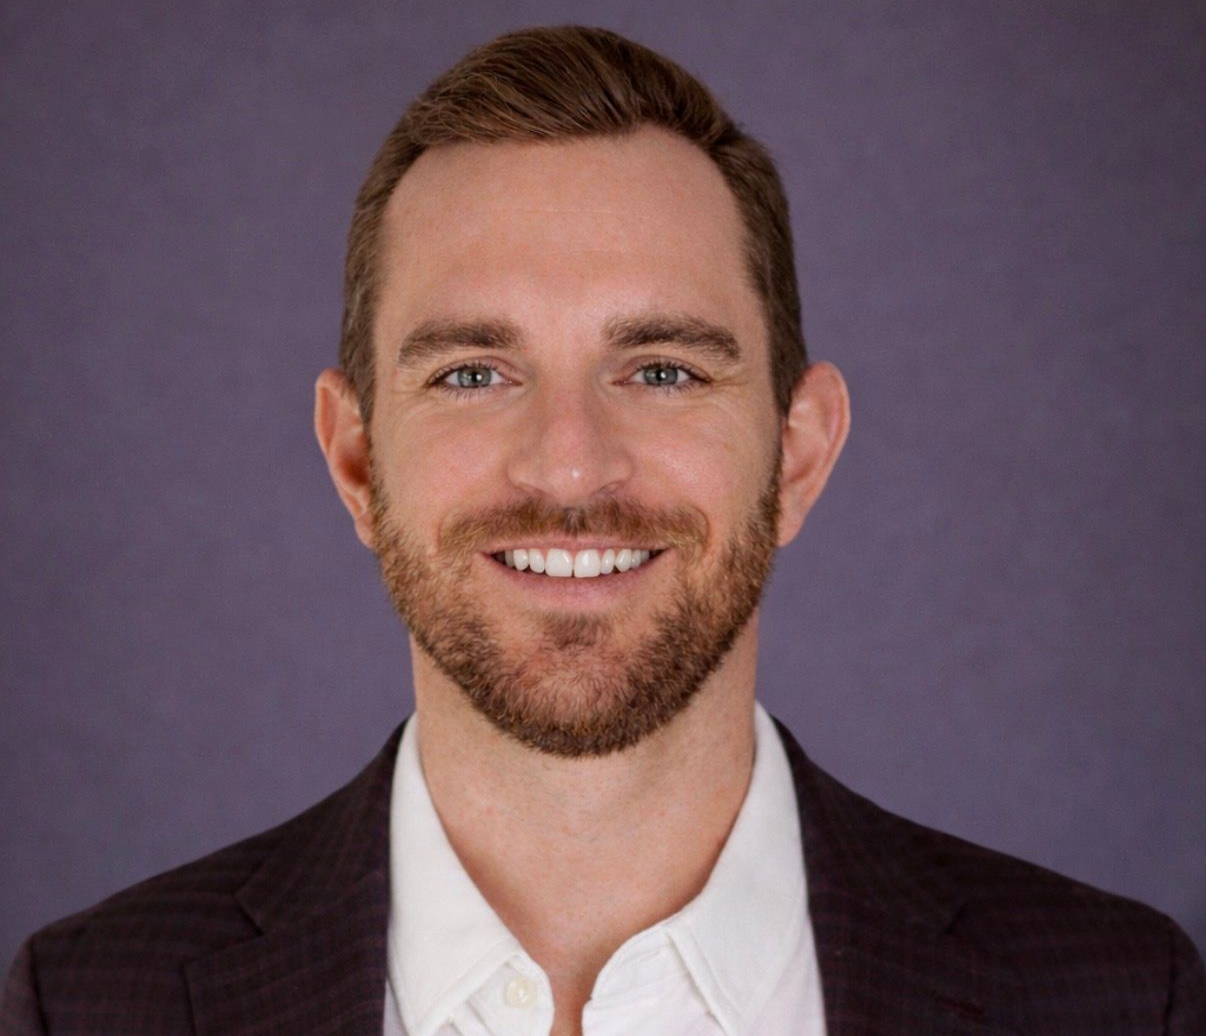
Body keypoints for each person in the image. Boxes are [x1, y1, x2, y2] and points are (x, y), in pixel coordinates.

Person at [3, 25, 1202, 1036]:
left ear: (798, 451)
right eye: (474, 373)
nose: (570, 462)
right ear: (357, 459)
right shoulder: (93, 1005)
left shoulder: (1110, 998)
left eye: (665, 370)